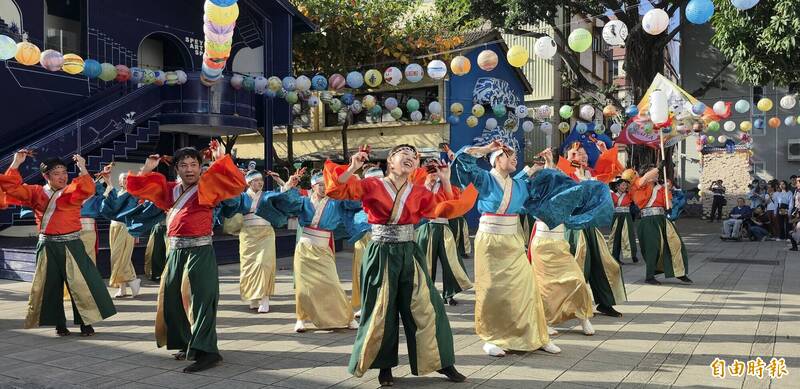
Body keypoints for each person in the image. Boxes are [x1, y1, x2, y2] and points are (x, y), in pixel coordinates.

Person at [327, 144, 471, 386]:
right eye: (404, 154)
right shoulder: (371, 185)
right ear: (390, 162)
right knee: (382, 309)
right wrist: (353, 166)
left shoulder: (418, 191)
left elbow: (444, 209)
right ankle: (384, 367)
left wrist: (446, 180)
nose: (411, 158)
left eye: (414, 157)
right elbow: (338, 189)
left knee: (428, 306)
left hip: (409, 252)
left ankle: (442, 362)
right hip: (381, 253)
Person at [126, 142, 246, 373]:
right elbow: (139, 189)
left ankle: (208, 351)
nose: (189, 169)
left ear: (201, 168)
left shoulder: (208, 186)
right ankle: (187, 342)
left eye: (194, 164)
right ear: (176, 169)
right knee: (173, 298)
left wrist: (222, 160)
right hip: (175, 250)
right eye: (184, 165)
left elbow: (235, 185)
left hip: (200, 249)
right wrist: (147, 170)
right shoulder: (169, 189)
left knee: (202, 299)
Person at [453, 137, 569, 358]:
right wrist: (487, 148)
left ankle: (537, 335)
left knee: (527, 286)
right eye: (509, 155)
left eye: (515, 155)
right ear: (496, 160)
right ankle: (491, 338)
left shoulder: (520, 184)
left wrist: (548, 164)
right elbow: (463, 161)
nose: (515, 157)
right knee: (492, 291)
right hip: (490, 242)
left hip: (513, 239)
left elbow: (550, 184)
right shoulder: (484, 178)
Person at [0, 150, 116, 336]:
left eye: (64, 172)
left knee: (80, 284)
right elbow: (11, 188)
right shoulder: (35, 192)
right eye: (56, 173)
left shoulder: (72, 191)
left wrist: (82, 167)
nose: (62, 176)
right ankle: (58, 323)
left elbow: (88, 189)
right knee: (51, 285)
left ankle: (86, 322)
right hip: (47, 245)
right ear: (46, 176)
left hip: (72, 244)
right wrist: (16, 163)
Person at [526, 148, 612, 337]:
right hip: (542, 244)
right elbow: (547, 181)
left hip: (559, 244)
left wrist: (550, 162)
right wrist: (539, 169)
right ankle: (545, 321)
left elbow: (556, 179)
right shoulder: (534, 200)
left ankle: (583, 317)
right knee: (545, 288)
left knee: (577, 280)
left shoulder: (561, 195)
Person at [557, 141, 626, 318]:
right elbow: (560, 172)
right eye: (577, 153)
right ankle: (574, 304)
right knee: (579, 266)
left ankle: (605, 303)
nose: (583, 155)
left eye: (584, 152)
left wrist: (605, 152)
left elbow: (616, 172)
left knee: (605, 264)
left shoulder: (591, 173)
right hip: (574, 227)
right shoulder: (566, 173)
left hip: (591, 227)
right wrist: (571, 160)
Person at [289, 170, 361, 333]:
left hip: (323, 247)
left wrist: (352, 180)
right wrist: (289, 186)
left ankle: (347, 316)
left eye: (325, 185)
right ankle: (301, 318)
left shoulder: (335, 201)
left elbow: (354, 204)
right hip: (304, 247)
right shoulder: (303, 201)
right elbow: (287, 203)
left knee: (332, 283)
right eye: (319, 185)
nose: (323, 188)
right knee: (303, 286)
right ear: (313, 186)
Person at [221, 169, 301, 313]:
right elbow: (229, 202)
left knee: (265, 265)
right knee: (249, 267)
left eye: (261, 180)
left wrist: (284, 183)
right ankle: (254, 298)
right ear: (249, 183)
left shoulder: (267, 195)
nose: (260, 183)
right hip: (248, 235)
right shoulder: (242, 197)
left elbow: (282, 197)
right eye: (256, 181)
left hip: (266, 234)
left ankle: (265, 298)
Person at [414, 159, 477, 307]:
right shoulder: (419, 185)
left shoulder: (448, 185)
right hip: (427, 229)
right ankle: (426, 293)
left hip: (444, 227)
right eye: (430, 169)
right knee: (426, 263)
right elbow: (419, 204)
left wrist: (445, 179)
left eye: (436, 168)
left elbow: (453, 202)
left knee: (451, 262)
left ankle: (449, 293)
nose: (434, 172)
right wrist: (428, 184)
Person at [632, 167, 692, 285]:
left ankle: (680, 272)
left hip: (662, 219)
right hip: (648, 220)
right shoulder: (638, 184)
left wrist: (668, 196)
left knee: (676, 243)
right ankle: (649, 276)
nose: (657, 174)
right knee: (652, 247)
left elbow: (668, 205)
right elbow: (644, 179)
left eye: (658, 173)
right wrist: (658, 167)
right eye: (654, 173)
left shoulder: (662, 189)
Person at [100, 172, 142, 298]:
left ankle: (132, 280)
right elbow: (108, 203)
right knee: (120, 257)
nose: (125, 180)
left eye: (127, 178)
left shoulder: (133, 194)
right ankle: (123, 288)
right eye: (123, 178)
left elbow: (135, 213)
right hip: (113, 226)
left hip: (125, 227)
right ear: (120, 181)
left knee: (119, 257)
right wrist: (108, 183)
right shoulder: (117, 192)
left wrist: (137, 232)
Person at [608, 171, 639, 264]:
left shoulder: (629, 194)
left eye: (626, 185)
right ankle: (615, 257)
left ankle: (633, 254)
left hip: (626, 216)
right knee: (615, 237)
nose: (624, 186)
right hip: (616, 216)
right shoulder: (611, 195)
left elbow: (635, 189)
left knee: (629, 235)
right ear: (617, 186)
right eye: (622, 185)